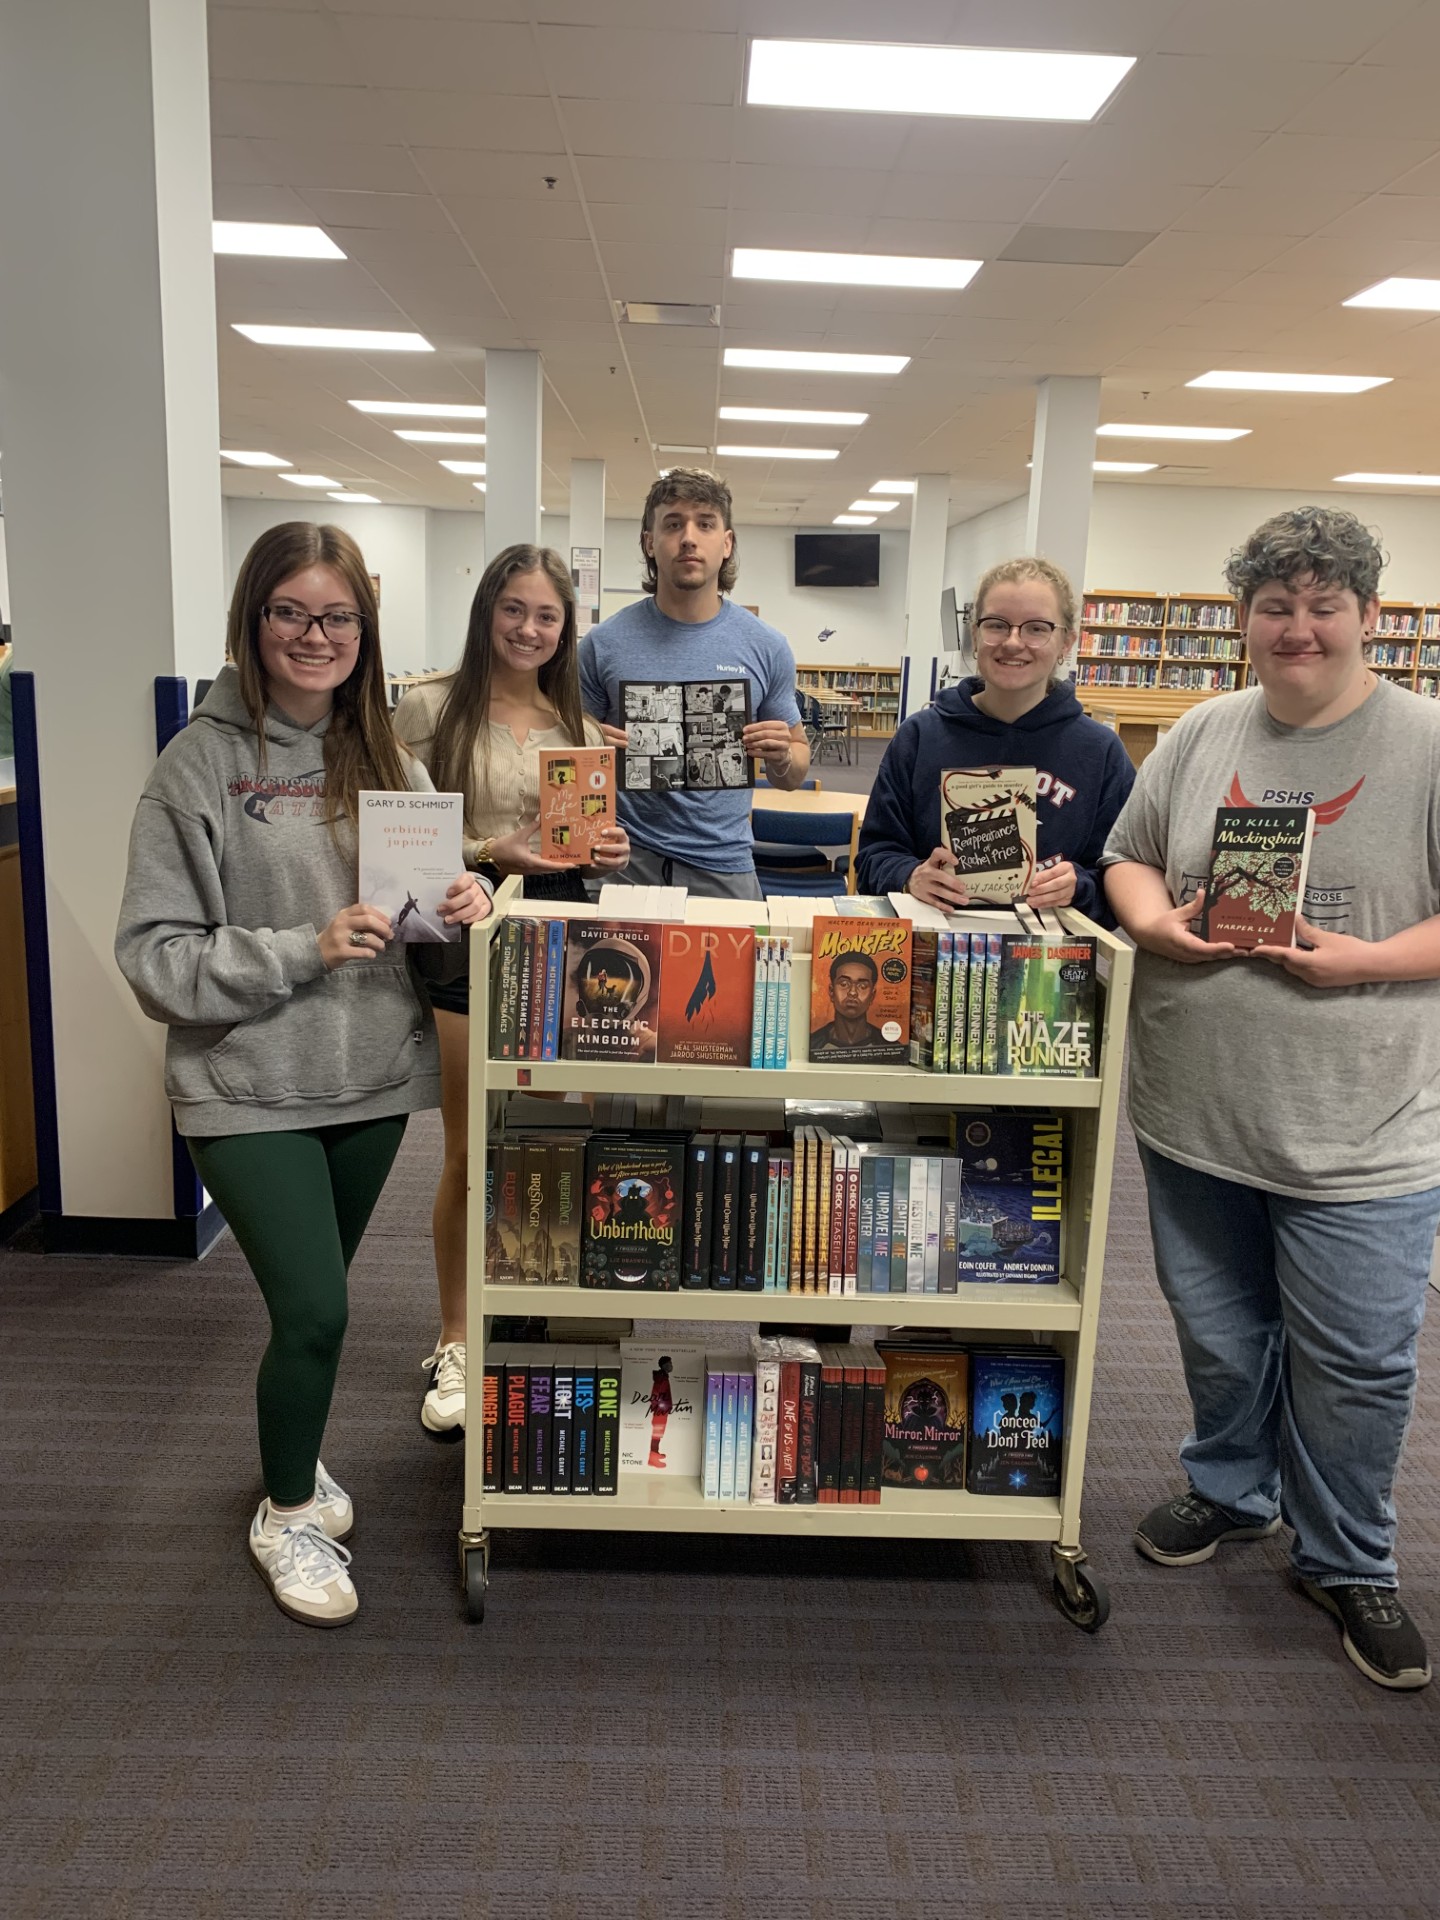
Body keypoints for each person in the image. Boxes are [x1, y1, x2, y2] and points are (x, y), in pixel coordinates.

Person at [115, 522, 492, 1629]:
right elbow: (153, 956)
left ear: (365, 634)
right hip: (243, 1087)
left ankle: (301, 1460)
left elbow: (415, 941)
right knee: (319, 1311)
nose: (314, 636)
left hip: (371, 1080)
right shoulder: (196, 769)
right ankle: (284, 1510)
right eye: (292, 613)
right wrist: (301, 947)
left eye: (338, 617)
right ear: (253, 622)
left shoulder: (394, 764)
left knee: (310, 1314)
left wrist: (455, 909)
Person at [1102, 505, 1440, 1692]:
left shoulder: (1429, 745)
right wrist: (1152, 922)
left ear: (1371, 618)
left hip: (1363, 1126)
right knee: (1220, 1334)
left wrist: (1364, 960)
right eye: (1276, 605)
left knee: (1358, 1358)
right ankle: (1228, 1489)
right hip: (1196, 1109)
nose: (1298, 627)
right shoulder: (1200, 730)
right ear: (1245, 617)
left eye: (1323, 605)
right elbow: (1129, 851)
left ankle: (1349, 1557)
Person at [393, 544, 630, 1440]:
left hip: (564, 941)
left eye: (548, 616)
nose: (529, 630)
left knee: (554, 1140)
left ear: (566, 629)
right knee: (469, 1145)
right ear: (486, 608)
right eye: (514, 610)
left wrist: (607, 848)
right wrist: (497, 854)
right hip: (466, 942)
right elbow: (400, 845)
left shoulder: (575, 718)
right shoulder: (427, 709)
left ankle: (531, 1309)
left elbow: (587, 836)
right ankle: (456, 1337)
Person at [857, 555, 1134, 922]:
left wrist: (1078, 886)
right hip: (934, 952)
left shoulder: (1100, 752)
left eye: (1036, 628)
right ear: (975, 634)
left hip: (1052, 962)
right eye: (997, 625)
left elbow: (1125, 881)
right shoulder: (920, 737)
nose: (1013, 642)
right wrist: (909, 876)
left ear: (1066, 642)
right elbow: (874, 857)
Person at [579, 468, 809, 898]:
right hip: (625, 863)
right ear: (650, 542)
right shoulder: (602, 644)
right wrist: (589, 750)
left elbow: (795, 773)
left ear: (726, 543)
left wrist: (781, 756)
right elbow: (567, 760)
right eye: (673, 523)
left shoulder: (767, 646)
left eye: (705, 523)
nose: (689, 537)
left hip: (724, 865)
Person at [809, 950, 894, 1059]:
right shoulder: (813, 1045)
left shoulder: (892, 1049)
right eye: (844, 984)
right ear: (831, 991)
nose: (852, 992)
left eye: (862, 986)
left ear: (872, 996)